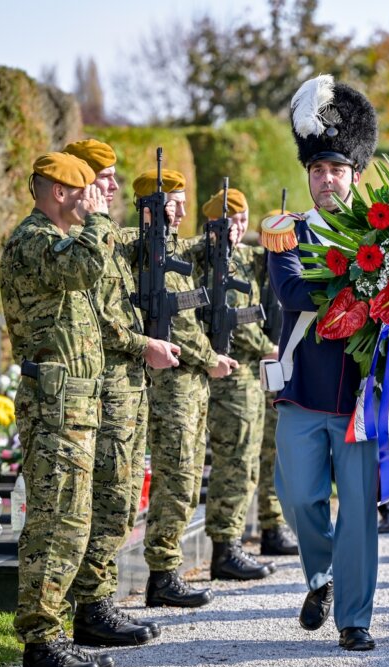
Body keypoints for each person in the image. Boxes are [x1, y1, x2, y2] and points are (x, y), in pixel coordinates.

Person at [268, 75, 381, 651]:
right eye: (317, 171)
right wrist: (357, 287)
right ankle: (321, 576)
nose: (327, 179)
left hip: (360, 396)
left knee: (359, 511)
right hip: (303, 387)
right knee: (298, 499)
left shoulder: (384, 237)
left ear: (354, 176)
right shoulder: (286, 232)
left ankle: (354, 618)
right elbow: (291, 294)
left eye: (337, 169)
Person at [1, 152, 115, 667]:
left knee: (71, 518)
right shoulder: (35, 241)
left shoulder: (53, 239)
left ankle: (54, 633)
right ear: (57, 192)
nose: (92, 199)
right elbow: (87, 266)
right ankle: (40, 644)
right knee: (55, 521)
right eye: (84, 191)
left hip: (74, 401)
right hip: (55, 403)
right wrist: (98, 220)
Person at [63, 139, 177, 647]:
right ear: (80, 181)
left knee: (124, 497)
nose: (113, 185)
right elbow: (100, 321)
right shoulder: (73, 240)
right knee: (108, 497)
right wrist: (145, 343)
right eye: (104, 176)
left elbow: (140, 247)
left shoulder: (104, 234)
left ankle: (99, 598)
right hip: (105, 386)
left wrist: (160, 222)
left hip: (127, 385)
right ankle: (91, 605)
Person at [133, 169, 238, 608]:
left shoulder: (175, 250)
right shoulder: (143, 250)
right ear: (149, 209)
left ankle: (167, 569)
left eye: (182, 202)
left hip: (189, 384)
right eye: (171, 203)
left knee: (189, 475)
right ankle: (161, 572)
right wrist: (209, 357)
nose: (179, 211)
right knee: (176, 475)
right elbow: (180, 325)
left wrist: (223, 235)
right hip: (172, 383)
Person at [193, 187, 281, 580]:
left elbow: (270, 261)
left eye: (244, 220)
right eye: (233, 221)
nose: (240, 227)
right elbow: (239, 321)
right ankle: (225, 549)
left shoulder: (240, 256)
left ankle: (239, 540)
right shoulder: (214, 261)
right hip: (231, 376)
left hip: (249, 374)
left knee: (251, 461)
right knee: (235, 464)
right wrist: (270, 348)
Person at [253, 210, 299, 557]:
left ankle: (273, 525)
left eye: (242, 219)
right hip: (249, 369)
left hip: (276, 363)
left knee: (273, 455)